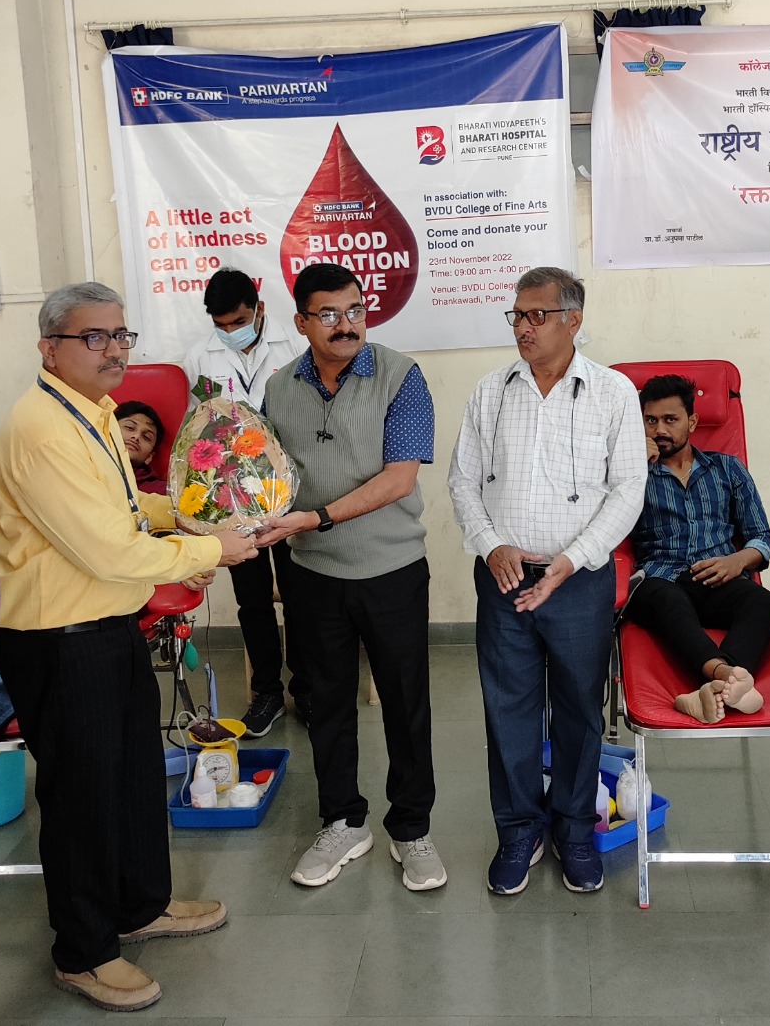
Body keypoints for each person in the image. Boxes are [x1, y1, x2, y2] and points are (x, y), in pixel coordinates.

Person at [0, 281, 256, 1012]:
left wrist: (196, 513)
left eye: (121, 335)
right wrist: (214, 549)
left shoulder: (96, 412)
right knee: (82, 797)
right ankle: (83, 952)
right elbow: (110, 549)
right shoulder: (42, 430)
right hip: (59, 639)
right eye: (94, 337)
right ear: (49, 348)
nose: (114, 350)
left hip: (108, 625)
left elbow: (129, 508)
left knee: (134, 777)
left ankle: (140, 906)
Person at [448, 267, 646, 896]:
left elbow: (628, 491)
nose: (524, 328)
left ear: (573, 320)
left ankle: (575, 830)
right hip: (504, 577)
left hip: (578, 579)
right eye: (518, 315)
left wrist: (572, 559)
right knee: (508, 708)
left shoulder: (612, 392)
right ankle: (518, 831)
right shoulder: (491, 392)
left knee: (580, 709)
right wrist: (491, 545)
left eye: (538, 316)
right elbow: (462, 481)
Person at [255, 263, 443, 892]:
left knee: (405, 703)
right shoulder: (279, 387)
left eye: (355, 310)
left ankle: (411, 828)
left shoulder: (400, 376)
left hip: (391, 569)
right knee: (326, 704)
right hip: (312, 573)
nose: (346, 324)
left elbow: (400, 479)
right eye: (329, 314)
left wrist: (318, 516)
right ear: (301, 322)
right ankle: (343, 821)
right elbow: (266, 474)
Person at [183, 267, 306, 736]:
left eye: (239, 321)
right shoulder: (200, 357)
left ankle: (306, 689)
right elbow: (199, 426)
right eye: (222, 325)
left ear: (259, 309)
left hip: (291, 492)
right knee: (252, 600)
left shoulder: (295, 347)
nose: (231, 331)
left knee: (299, 594)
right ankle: (267, 693)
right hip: (233, 499)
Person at [628, 373, 770, 722]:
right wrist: (631, 464)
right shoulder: (632, 472)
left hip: (717, 578)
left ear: (692, 422)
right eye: (650, 421)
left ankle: (706, 693)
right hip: (660, 580)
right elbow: (606, 526)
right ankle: (726, 677)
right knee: (668, 601)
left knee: (764, 602)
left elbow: (761, 536)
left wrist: (737, 561)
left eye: (670, 419)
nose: (659, 430)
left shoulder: (727, 469)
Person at [116, 399, 167, 495]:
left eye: (146, 437)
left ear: (149, 457)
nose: (136, 436)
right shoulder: (86, 461)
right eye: (130, 427)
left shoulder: (161, 492)